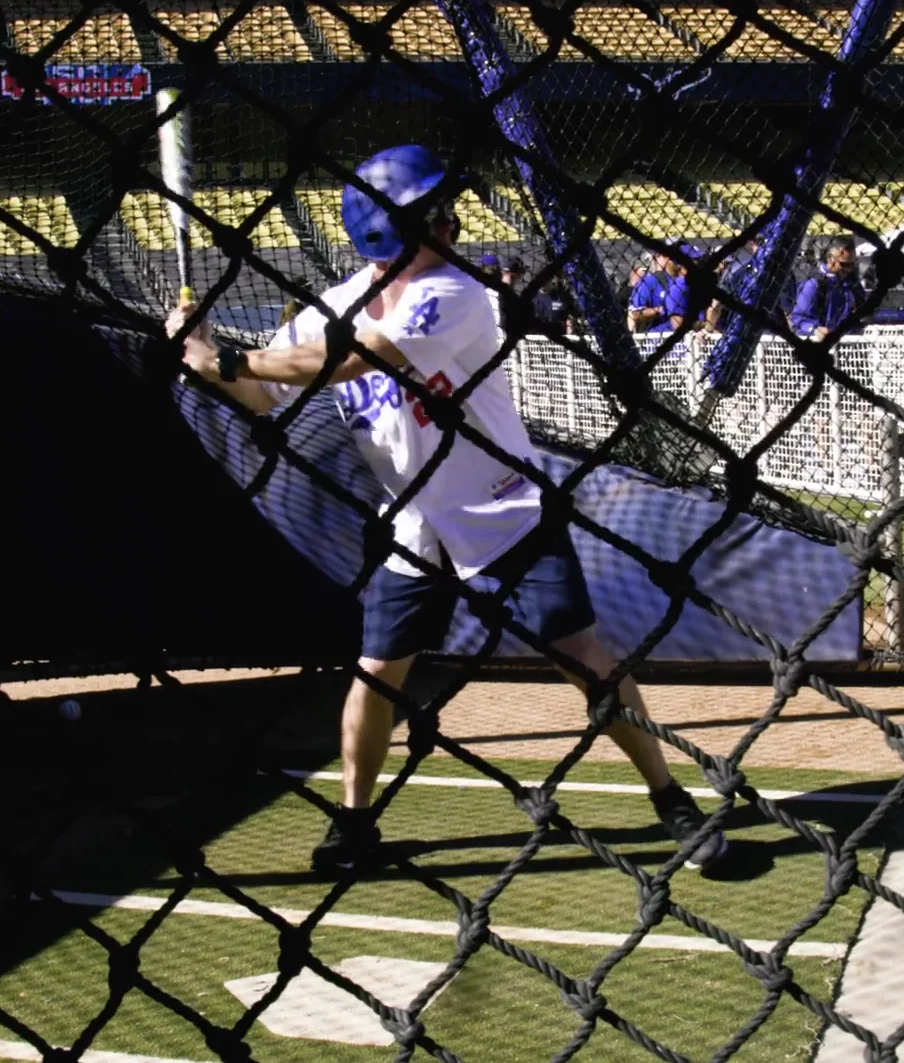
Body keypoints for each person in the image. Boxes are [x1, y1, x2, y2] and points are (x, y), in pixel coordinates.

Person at [170, 145, 731, 877]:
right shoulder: (327, 311)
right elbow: (262, 397)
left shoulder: (459, 292)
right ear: (391, 231)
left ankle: (669, 798)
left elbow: (361, 357)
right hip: (412, 520)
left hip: (502, 506)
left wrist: (234, 361)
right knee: (376, 673)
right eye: (438, 214)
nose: (456, 223)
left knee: (578, 657)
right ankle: (354, 821)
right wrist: (202, 360)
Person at [789, 235, 866, 342]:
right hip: (821, 345)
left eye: (852, 264)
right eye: (844, 264)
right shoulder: (813, 284)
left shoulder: (852, 283)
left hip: (850, 342)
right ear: (830, 259)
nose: (849, 269)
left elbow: (864, 307)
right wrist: (815, 329)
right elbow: (799, 319)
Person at [627, 248, 673, 332]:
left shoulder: (683, 281)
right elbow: (635, 314)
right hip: (657, 337)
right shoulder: (647, 283)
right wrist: (659, 310)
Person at [660, 243, 702, 332]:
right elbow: (678, 325)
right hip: (682, 342)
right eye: (694, 259)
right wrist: (707, 326)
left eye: (698, 259)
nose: (697, 262)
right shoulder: (677, 289)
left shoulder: (696, 284)